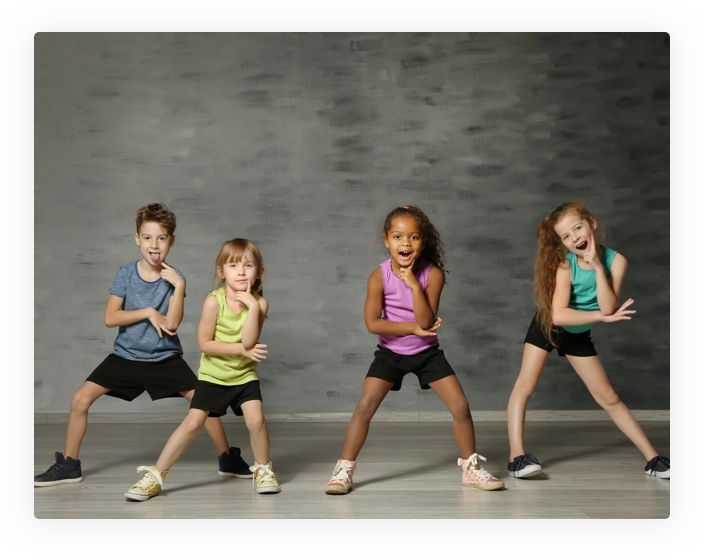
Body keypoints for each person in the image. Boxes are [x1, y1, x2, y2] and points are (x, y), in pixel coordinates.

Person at [34, 203, 250, 487]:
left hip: (164, 358)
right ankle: (70, 465)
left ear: (171, 241)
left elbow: (171, 324)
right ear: (137, 239)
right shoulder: (125, 274)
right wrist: (148, 311)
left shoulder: (175, 278)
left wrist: (180, 286)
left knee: (204, 403)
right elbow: (110, 318)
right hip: (126, 357)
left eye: (161, 238)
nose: (154, 244)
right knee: (79, 400)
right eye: (147, 237)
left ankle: (228, 458)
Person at [324, 205, 504, 495]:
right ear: (386, 240)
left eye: (414, 237)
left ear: (423, 241)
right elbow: (372, 323)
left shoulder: (433, 275)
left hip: (426, 354)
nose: (405, 244)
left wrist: (413, 286)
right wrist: (411, 329)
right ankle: (343, 470)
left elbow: (425, 320)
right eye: (397, 237)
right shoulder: (378, 276)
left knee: (460, 406)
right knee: (365, 406)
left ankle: (471, 469)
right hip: (390, 354)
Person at [506, 201, 670, 479]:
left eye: (578, 228)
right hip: (549, 325)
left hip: (578, 333)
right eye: (566, 237)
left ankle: (653, 460)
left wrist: (596, 268)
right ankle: (516, 459)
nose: (575, 238)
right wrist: (602, 318)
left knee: (609, 397)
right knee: (525, 385)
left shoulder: (617, 261)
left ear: (592, 223)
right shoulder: (564, 266)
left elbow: (607, 307)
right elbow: (559, 316)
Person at [125, 238, 279, 500]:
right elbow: (205, 344)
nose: (241, 272)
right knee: (193, 423)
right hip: (213, 376)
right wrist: (242, 350)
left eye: (248, 266)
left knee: (257, 421)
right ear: (221, 271)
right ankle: (155, 476)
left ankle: (263, 470)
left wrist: (253, 306)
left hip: (243, 376)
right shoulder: (213, 302)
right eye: (233, 265)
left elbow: (249, 341)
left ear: (259, 271)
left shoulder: (260, 304)